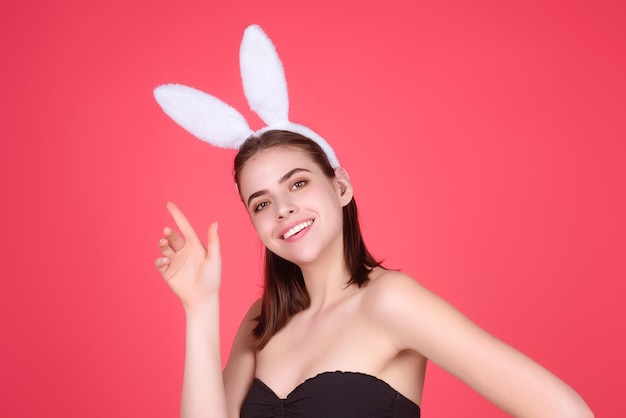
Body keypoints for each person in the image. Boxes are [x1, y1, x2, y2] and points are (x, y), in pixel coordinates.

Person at [155, 129, 593, 418]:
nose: (284, 208)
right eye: (262, 203)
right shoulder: (261, 321)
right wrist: (199, 305)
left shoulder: (390, 301)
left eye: (298, 183)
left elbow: (561, 410)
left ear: (340, 187)